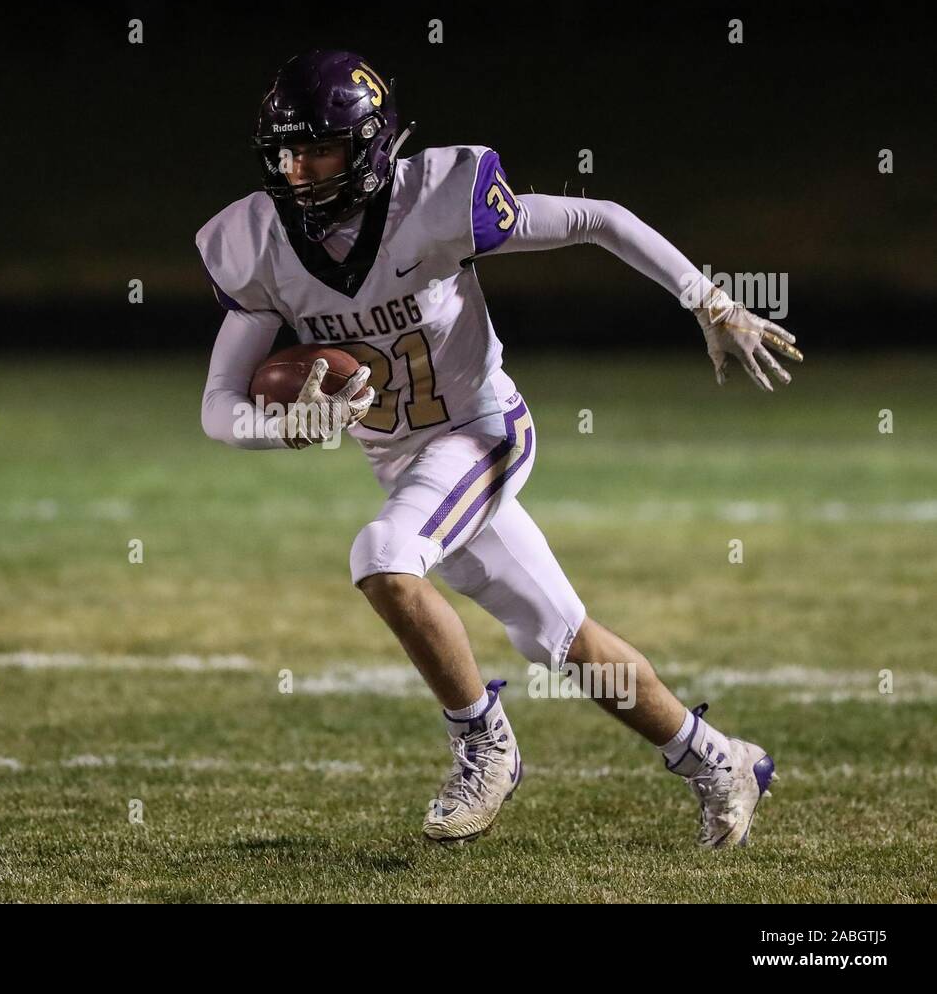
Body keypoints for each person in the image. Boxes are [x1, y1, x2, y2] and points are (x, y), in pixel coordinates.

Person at [197, 49, 801, 845]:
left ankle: (484, 741)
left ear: (371, 145)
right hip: (402, 459)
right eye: (286, 150)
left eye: (319, 149)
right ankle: (719, 759)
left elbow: (599, 219)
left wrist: (710, 302)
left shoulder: (438, 199)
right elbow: (217, 406)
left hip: (479, 430)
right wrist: (278, 427)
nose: (299, 170)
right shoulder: (256, 242)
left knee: (382, 555)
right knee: (565, 639)